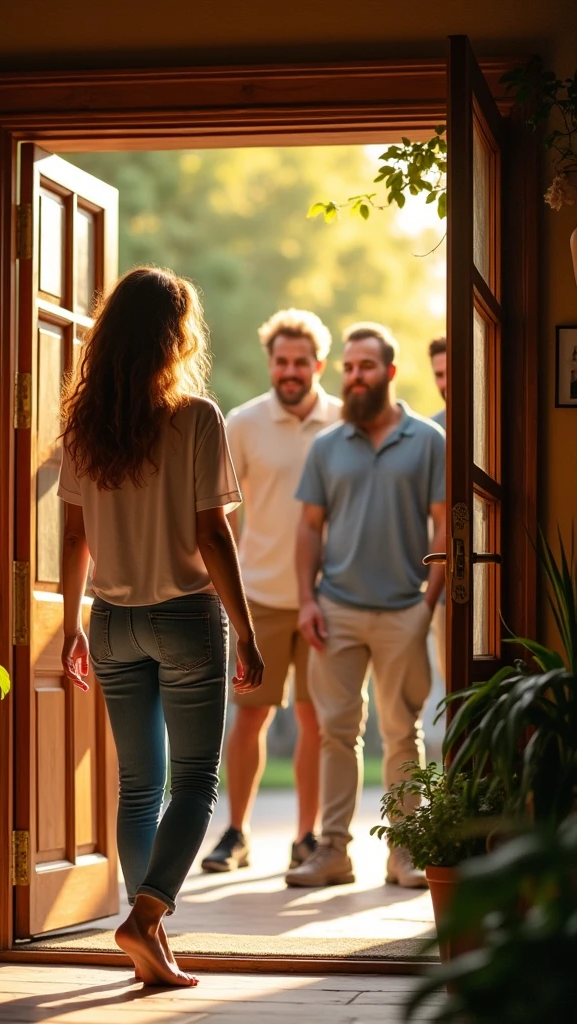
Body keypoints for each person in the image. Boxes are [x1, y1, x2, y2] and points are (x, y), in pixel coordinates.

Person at [57, 267, 264, 987]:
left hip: (112, 620)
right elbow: (214, 536)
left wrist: (72, 623)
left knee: (139, 788)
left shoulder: (83, 426)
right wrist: (247, 627)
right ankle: (145, 920)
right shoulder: (197, 417)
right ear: (176, 336)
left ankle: (150, 942)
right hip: (184, 618)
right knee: (196, 781)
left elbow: (75, 538)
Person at [286, 322, 446, 889]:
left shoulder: (429, 440)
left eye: (366, 367)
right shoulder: (327, 446)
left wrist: (427, 604)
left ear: (390, 373)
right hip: (337, 610)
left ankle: (405, 851)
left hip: (405, 608)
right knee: (336, 730)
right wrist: (307, 600)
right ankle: (333, 851)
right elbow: (308, 529)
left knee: (403, 733)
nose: (355, 378)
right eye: (349, 368)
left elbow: (445, 527)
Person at [201, 309, 342, 874]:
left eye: (300, 362)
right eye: (281, 361)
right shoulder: (243, 421)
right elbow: (220, 516)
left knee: (314, 720)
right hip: (258, 595)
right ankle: (236, 833)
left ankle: (307, 838)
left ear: (318, 365)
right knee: (251, 718)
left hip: (328, 597)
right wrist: (223, 594)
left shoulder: (343, 422)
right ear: (270, 362)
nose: (290, 371)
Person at [428, 336, 447, 683]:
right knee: (455, 688)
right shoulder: (431, 432)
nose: (445, 383)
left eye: (450, 371)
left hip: (504, 577)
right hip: (447, 590)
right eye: (439, 374)